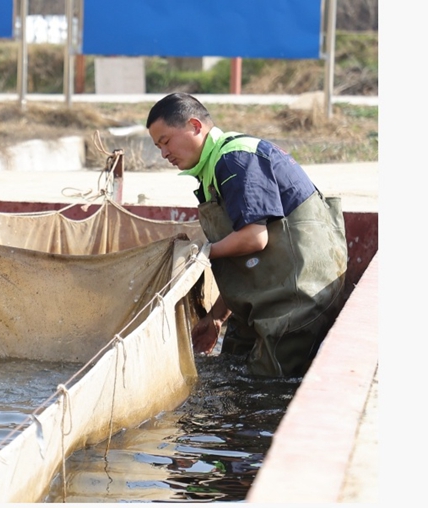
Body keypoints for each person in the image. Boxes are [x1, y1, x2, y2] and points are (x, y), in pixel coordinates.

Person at [145, 93, 347, 377]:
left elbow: (254, 238)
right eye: (158, 147)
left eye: (165, 141)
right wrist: (216, 318)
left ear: (194, 125)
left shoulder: (235, 160)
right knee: (230, 365)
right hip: (271, 293)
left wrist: (198, 254)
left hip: (298, 301)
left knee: (266, 389)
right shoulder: (211, 169)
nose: (164, 153)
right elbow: (249, 259)